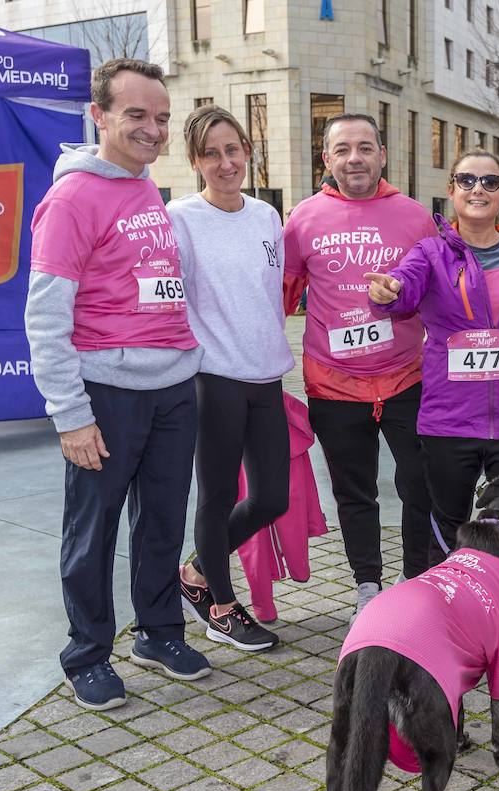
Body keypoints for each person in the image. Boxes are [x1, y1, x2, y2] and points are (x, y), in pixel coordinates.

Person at [26, 58, 207, 710]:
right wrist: (71, 414)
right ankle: (87, 654)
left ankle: (159, 632)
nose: (153, 129)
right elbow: (45, 315)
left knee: (161, 522)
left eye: (161, 118)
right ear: (98, 115)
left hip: (171, 389)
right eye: (137, 115)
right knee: (93, 531)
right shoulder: (72, 199)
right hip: (107, 393)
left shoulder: (142, 187)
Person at [364, 149, 499, 670]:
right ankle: (445, 623)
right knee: (447, 526)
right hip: (448, 418)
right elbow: (400, 290)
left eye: (490, 181)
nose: (478, 189)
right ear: (452, 191)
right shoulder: (431, 253)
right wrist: (385, 292)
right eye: (466, 180)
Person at [282, 114, 436, 616]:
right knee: (354, 492)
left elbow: (436, 294)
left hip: (407, 377)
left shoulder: (414, 216)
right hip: (332, 384)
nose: (355, 158)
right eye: (343, 149)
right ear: (326, 159)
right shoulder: (303, 219)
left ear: (382, 155)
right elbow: (280, 296)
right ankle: (367, 584)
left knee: (420, 484)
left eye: (365, 147)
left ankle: (417, 578)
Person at [170, 105, 291, 652]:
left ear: (248, 151)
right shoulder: (179, 218)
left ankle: (196, 570)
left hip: (266, 375)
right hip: (213, 377)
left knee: (271, 498)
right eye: (212, 153)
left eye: (233, 150)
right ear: (196, 161)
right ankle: (220, 604)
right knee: (217, 496)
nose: (225, 162)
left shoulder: (267, 217)